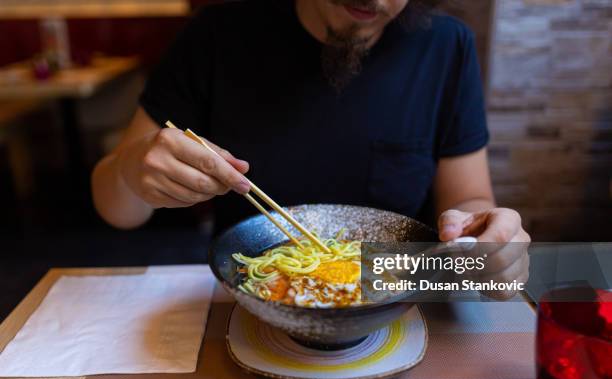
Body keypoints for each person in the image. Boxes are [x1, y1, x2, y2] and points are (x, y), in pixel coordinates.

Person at [92, 0, 530, 297]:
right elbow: (116, 209)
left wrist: (483, 237)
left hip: (392, 301)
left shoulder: (447, 45)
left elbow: (468, 200)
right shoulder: (217, 35)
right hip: (248, 299)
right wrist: (133, 170)